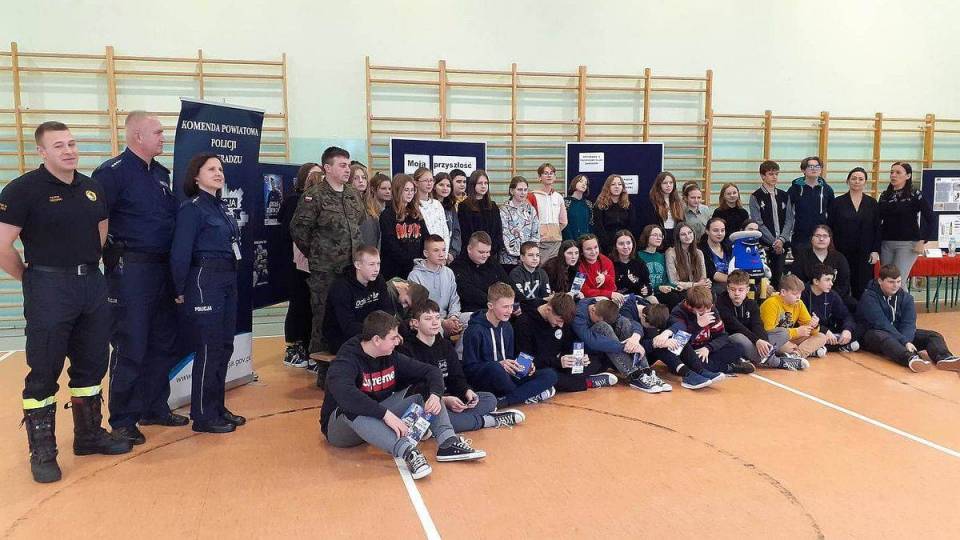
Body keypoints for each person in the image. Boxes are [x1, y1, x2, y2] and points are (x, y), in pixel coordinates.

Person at [0, 121, 132, 483]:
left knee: (91, 364)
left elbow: (100, 233)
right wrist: (30, 278)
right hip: (49, 286)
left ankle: (88, 436)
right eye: (58, 145)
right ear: (42, 152)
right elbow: (2, 244)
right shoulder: (23, 189)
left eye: (71, 143)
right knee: (44, 370)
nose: (68, 150)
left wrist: (86, 268)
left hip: (90, 284)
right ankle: (43, 451)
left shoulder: (91, 188)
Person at [91, 111, 184, 446]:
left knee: (162, 341)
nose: (163, 137)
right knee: (131, 343)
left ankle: (154, 407)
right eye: (157, 132)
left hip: (161, 269)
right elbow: (96, 221)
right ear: (137, 136)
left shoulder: (160, 174)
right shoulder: (112, 173)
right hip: (130, 269)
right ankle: (123, 418)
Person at [321, 311, 486, 481]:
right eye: (393, 337)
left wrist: (436, 395)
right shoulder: (346, 360)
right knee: (353, 405)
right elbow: (346, 395)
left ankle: (448, 443)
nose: (398, 341)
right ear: (376, 340)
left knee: (423, 389)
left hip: (375, 419)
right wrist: (386, 415)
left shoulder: (390, 355)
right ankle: (408, 452)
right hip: (341, 429)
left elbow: (431, 371)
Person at [169, 152, 246, 434]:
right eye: (211, 169)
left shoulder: (221, 208)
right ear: (196, 176)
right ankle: (202, 415)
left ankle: (217, 407)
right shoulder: (192, 209)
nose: (218, 173)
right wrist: (179, 288)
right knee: (209, 347)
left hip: (227, 280)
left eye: (220, 169)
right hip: (204, 281)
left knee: (224, 346)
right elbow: (180, 252)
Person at [291, 146, 364, 386]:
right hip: (325, 271)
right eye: (342, 165)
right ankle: (324, 371)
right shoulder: (314, 196)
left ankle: (350, 368)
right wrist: (317, 255)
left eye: (348, 165)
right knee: (323, 317)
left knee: (350, 316)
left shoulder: (352, 194)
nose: (348, 169)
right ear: (327, 168)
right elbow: (299, 230)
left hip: (351, 269)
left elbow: (359, 222)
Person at [400, 301, 524, 431]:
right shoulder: (406, 350)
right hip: (428, 403)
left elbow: (456, 377)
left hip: (452, 399)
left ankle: (444, 424)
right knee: (432, 414)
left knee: (489, 399)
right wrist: (443, 400)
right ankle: (487, 420)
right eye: (428, 319)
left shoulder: (445, 346)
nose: (435, 322)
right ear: (415, 323)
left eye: (437, 317)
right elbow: (412, 390)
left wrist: (466, 392)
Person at [461, 283, 559, 406]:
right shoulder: (474, 330)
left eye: (512, 306)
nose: (510, 311)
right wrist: (499, 364)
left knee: (550, 374)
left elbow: (510, 358)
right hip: (488, 378)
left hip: (507, 378)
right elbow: (469, 369)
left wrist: (525, 366)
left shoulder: (507, 326)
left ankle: (505, 400)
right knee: (496, 369)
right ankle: (524, 394)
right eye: (505, 307)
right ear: (490, 306)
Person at [856, 264, 959, 373]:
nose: (895, 286)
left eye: (898, 282)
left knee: (933, 335)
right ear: (880, 281)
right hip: (874, 335)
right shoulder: (869, 297)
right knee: (884, 337)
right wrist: (904, 342)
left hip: (899, 334)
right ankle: (910, 359)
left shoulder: (906, 297)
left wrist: (907, 341)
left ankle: (944, 358)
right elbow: (881, 324)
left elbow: (909, 323)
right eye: (891, 282)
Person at [515, 293, 618, 392]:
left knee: (595, 360)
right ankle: (588, 382)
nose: (561, 325)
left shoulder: (563, 318)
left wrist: (578, 356)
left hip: (558, 364)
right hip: (540, 367)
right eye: (559, 321)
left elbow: (568, 342)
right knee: (551, 376)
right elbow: (524, 362)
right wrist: (558, 362)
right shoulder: (525, 323)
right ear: (548, 310)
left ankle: (579, 380)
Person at [620, 298, 725, 390]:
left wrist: (666, 333)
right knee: (660, 343)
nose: (653, 329)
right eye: (651, 326)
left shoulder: (652, 309)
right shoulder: (626, 314)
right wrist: (655, 342)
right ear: (643, 317)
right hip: (636, 354)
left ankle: (700, 370)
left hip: (651, 347)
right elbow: (631, 344)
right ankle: (687, 374)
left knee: (679, 336)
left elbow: (679, 325)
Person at [572, 297, 666, 392]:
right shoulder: (578, 316)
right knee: (603, 326)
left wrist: (635, 339)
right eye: (597, 320)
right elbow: (591, 341)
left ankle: (646, 372)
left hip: (604, 350)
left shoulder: (603, 307)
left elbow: (631, 322)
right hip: (582, 350)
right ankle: (634, 375)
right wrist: (624, 346)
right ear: (592, 310)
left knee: (624, 322)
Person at [717, 270, 804, 370]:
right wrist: (757, 340)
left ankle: (762, 356)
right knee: (738, 337)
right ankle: (778, 362)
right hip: (733, 341)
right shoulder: (721, 303)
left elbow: (757, 325)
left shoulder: (751, 304)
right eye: (733, 289)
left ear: (747, 290)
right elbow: (736, 327)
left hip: (751, 341)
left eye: (740, 290)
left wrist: (763, 341)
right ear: (728, 289)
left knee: (783, 332)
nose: (736, 293)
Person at [279, 163, 320, 368]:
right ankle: (296, 345)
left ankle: (312, 347)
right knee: (299, 304)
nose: (317, 178)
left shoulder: (324, 201)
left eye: (320, 174)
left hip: (319, 264)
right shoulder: (295, 200)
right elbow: (291, 232)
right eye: (313, 174)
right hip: (299, 263)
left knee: (313, 306)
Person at [668, 286, 756, 374]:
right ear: (689, 306)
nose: (706, 313)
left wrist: (708, 348)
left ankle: (714, 365)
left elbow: (722, 336)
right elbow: (678, 345)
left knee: (738, 348)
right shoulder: (678, 313)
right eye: (701, 311)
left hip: (707, 349)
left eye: (709, 308)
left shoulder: (710, 308)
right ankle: (729, 367)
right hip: (689, 351)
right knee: (692, 364)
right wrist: (698, 326)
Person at [323, 246, 395, 354]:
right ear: (358, 265)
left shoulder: (379, 280)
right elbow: (347, 325)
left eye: (378, 264)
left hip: (374, 333)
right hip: (342, 338)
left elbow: (387, 311)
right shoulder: (341, 287)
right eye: (371, 264)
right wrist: (377, 333)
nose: (376, 269)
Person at [878, 161, 935, 282]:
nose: (893, 175)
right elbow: (877, 220)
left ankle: (904, 296)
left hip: (907, 244)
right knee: (886, 281)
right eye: (892, 172)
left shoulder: (915, 194)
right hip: (886, 243)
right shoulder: (884, 195)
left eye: (898, 172)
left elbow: (931, 219)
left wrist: (922, 240)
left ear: (908, 176)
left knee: (898, 280)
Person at [828, 167, 880, 299]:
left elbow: (877, 228)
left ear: (865, 182)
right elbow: (830, 227)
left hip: (865, 252)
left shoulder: (872, 203)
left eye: (861, 179)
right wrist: (831, 250)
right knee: (842, 284)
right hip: (842, 251)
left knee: (862, 286)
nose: (857, 181)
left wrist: (875, 250)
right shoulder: (837, 202)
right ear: (848, 181)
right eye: (854, 178)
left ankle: (861, 311)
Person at [749, 160, 794, 290]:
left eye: (776, 174)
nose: (774, 177)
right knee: (764, 279)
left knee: (778, 277)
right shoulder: (756, 196)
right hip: (765, 244)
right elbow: (758, 222)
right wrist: (774, 241)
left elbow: (789, 219)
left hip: (782, 244)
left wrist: (782, 239)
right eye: (770, 174)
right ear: (763, 176)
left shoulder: (784, 195)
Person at [760, 275, 828, 359]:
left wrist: (814, 325)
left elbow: (810, 330)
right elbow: (769, 332)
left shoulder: (799, 303)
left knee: (821, 337)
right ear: (783, 292)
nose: (798, 297)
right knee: (786, 347)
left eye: (800, 293)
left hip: (792, 338)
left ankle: (796, 354)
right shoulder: (771, 303)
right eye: (795, 294)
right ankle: (806, 351)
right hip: (774, 340)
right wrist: (796, 332)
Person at [407, 235, 463, 336]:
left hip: (448, 318)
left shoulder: (449, 272)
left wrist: (453, 317)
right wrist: (442, 322)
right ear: (426, 253)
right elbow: (418, 309)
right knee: (436, 329)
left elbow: (454, 299)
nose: (441, 254)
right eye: (436, 250)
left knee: (472, 319)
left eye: (444, 250)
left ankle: (458, 347)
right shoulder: (415, 275)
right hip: (429, 320)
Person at [790, 224, 854, 307]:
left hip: (835, 299)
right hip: (808, 300)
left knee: (854, 306)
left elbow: (844, 284)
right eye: (817, 236)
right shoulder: (801, 258)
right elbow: (797, 282)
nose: (821, 239)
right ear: (811, 238)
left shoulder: (839, 258)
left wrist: (830, 298)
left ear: (830, 239)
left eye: (825, 236)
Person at [801, 264, 859, 353]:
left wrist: (847, 330)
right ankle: (835, 347)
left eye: (831, 280)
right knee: (811, 336)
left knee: (856, 331)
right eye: (827, 280)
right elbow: (803, 321)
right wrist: (824, 331)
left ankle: (821, 348)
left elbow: (846, 315)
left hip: (829, 332)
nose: (831, 284)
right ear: (816, 281)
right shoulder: (802, 294)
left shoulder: (832, 295)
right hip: (809, 331)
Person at [379, 174, 426, 280]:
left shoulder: (416, 213)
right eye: (406, 190)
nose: (410, 193)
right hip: (394, 270)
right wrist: (409, 261)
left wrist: (421, 260)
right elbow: (390, 244)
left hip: (416, 269)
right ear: (397, 190)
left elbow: (425, 237)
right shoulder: (387, 214)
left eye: (412, 190)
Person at [450, 232, 509, 315]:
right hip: (472, 311)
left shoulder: (492, 262)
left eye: (488, 252)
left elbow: (507, 282)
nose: (485, 256)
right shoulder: (458, 266)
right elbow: (468, 292)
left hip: (496, 307)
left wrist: (520, 302)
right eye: (481, 252)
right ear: (469, 249)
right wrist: (496, 303)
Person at [787, 156, 834, 250]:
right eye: (810, 166)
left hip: (820, 236)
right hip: (800, 236)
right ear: (803, 170)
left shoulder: (827, 189)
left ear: (821, 169)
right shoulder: (794, 189)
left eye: (817, 166)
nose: (814, 169)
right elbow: (788, 213)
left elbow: (832, 212)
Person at [458, 170, 504, 261]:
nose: (483, 186)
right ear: (473, 185)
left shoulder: (493, 206)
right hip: (471, 255)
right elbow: (465, 233)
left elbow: (498, 231)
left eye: (486, 183)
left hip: (491, 254)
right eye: (480, 183)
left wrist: (490, 251)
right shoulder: (464, 206)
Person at [527, 163, 568, 261]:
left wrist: (554, 231)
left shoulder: (558, 197)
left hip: (556, 241)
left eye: (551, 173)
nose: (549, 175)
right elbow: (528, 220)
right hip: (538, 241)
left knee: (554, 267)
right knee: (539, 266)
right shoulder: (533, 196)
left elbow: (563, 221)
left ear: (555, 177)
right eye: (545, 173)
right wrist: (541, 232)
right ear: (539, 177)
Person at [637, 224, 683, 307]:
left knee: (680, 295)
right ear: (646, 236)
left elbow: (665, 279)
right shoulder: (638, 256)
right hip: (648, 292)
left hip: (662, 291)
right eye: (655, 235)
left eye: (660, 236)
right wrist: (658, 288)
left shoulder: (662, 256)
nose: (658, 238)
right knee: (672, 298)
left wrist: (674, 286)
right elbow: (639, 281)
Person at [500, 175, 540, 267]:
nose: (523, 193)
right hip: (509, 260)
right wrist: (521, 255)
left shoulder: (531, 210)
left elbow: (536, 234)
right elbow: (505, 234)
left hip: (528, 260)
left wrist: (530, 254)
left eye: (525, 190)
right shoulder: (503, 210)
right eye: (519, 189)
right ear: (511, 191)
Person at [593, 174, 634, 253]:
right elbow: (598, 227)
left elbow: (631, 225)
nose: (617, 186)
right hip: (606, 244)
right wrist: (609, 244)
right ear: (608, 187)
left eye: (619, 184)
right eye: (613, 184)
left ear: (623, 187)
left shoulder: (628, 205)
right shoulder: (600, 205)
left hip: (624, 243)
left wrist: (624, 241)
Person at [413, 167, 450, 253]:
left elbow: (445, 231)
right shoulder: (413, 205)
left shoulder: (437, 204)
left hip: (440, 251)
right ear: (416, 183)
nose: (429, 183)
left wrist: (444, 253)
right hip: (423, 251)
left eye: (431, 180)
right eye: (426, 181)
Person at [665, 223, 710, 292]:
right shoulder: (671, 253)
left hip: (698, 289)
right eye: (683, 234)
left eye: (690, 233)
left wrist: (706, 282)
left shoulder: (699, 253)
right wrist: (695, 284)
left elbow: (703, 277)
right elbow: (673, 282)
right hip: (680, 290)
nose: (688, 236)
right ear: (678, 237)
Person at [645, 172, 684, 248]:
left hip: (675, 237)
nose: (668, 185)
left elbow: (681, 221)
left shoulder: (678, 201)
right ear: (659, 185)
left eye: (671, 183)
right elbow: (650, 223)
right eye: (665, 183)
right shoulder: (652, 202)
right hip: (659, 237)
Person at [577, 234, 620, 302]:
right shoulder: (578, 265)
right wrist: (608, 294)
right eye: (588, 249)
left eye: (595, 247)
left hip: (606, 299)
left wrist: (605, 278)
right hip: (585, 300)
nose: (593, 252)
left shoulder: (607, 262)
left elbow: (612, 288)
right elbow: (584, 291)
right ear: (581, 251)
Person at [611, 229, 653, 301]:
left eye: (628, 243)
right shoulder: (610, 263)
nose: (625, 246)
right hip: (618, 299)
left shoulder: (640, 263)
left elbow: (648, 284)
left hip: (637, 297)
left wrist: (647, 289)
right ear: (615, 246)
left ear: (633, 244)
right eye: (621, 244)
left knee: (653, 299)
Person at [432, 172, 461, 261]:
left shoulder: (451, 207)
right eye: (441, 185)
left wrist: (452, 253)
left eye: (448, 186)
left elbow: (456, 231)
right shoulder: (429, 206)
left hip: (448, 256)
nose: (445, 188)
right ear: (434, 186)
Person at [700, 217, 732, 295]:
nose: (720, 233)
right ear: (707, 231)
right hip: (713, 285)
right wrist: (735, 280)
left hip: (731, 283)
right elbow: (713, 274)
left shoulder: (728, 247)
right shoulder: (701, 250)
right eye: (715, 230)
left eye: (722, 230)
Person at [360, 172, 391, 248]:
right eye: (383, 188)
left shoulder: (390, 209)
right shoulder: (368, 212)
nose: (388, 191)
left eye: (390, 189)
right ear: (373, 189)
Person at [562, 174, 593, 242]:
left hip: (585, 241)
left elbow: (590, 224)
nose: (584, 184)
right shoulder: (565, 202)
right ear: (574, 183)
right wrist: (570, 240)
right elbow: (563, 223)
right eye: (581, 181)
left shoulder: (588, 204)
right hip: (569, 241)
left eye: (586, 183)